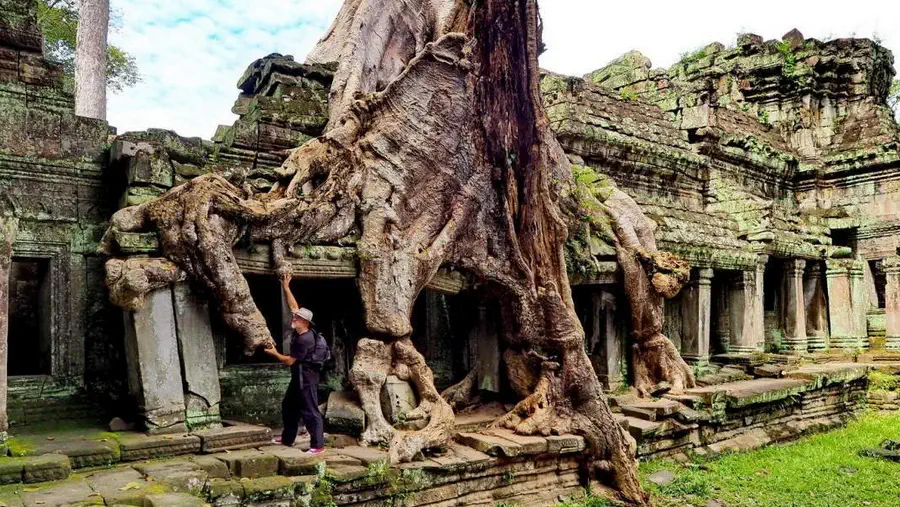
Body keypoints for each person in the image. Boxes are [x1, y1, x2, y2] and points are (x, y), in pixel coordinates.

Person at [264, 272, 325, 454]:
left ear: (305, 322)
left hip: (306, 378)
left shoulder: (304, 339)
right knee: (289, 405)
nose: (293, 318)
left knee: (310, 411)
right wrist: (286, 287)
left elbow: (290, 361)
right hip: (298, 377)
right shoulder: (301, 329)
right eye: (294, 317)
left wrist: (274, 353)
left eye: (297, 318)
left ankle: (318, 445)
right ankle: (288, 438)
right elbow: (293, 307)